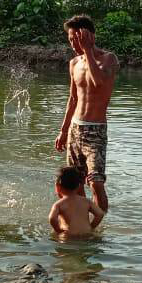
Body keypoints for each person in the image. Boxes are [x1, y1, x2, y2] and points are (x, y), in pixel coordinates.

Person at [55, 15, 119, 212]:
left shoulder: (108, 59)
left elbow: (97, 81)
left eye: (77, 38)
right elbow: (73, 99)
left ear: (88, 35)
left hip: (96, 131)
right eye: (71, 39)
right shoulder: (74, 63)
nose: (74, 43)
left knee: (96, 182)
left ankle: (99, 226)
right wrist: (64, 131)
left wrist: (88, 51)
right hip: (75, 129)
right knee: (76, 184)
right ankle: (83, 220)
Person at [48, 166, 105, 236]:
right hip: (86, 235)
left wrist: (58, 230)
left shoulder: (58, 204)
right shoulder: (86, 201)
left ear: (57, 187)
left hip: (68, 236)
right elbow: (100, 214)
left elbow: (52, 218)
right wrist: (91, 227)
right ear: (79, 186)